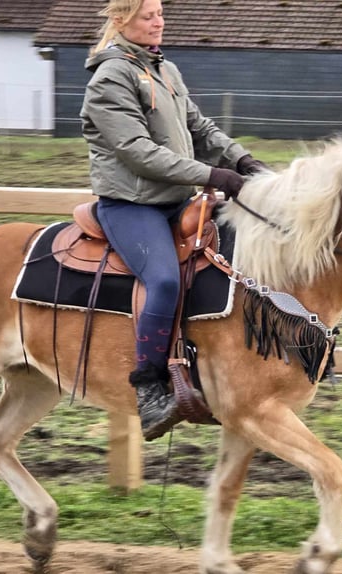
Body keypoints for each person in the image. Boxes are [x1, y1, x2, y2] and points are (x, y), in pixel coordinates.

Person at [80, 0, 267, 441]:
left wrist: (242, 160)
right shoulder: (111, 78)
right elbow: (138, 152)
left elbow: (199, 129)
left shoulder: (165, 70)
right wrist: (213, 175)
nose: (158, 21)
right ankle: (149, 387)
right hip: (131, 205)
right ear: (121, 21)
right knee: (163, 281)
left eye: (161, 13)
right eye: (148, 15)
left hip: (176, 199)